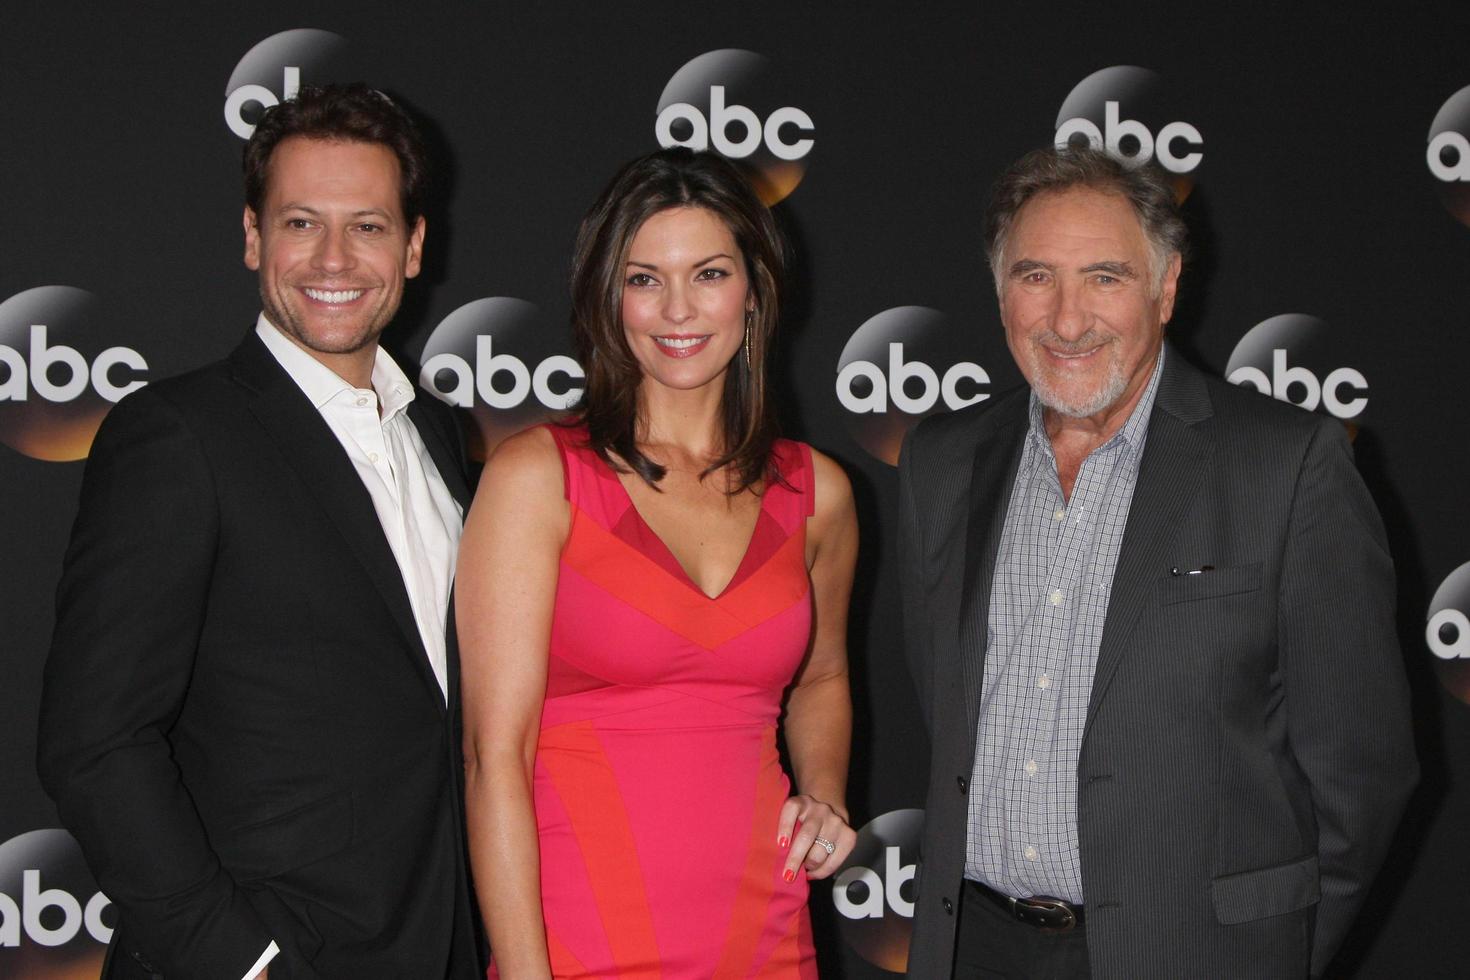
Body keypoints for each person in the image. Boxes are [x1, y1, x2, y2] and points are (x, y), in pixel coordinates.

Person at [899, 146, 1416, 978]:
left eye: (1105, 277)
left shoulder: (1284, 465)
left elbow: (1363, 771)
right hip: (976, 949)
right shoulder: (943, 461)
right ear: (1001, 291)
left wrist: (1272, 953)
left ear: (1166, 288)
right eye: (1036, 277)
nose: (1067, 320)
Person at [36, 84, 480, 979]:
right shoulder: (178, 435)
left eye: (368, 225)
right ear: (252, 236)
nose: (335, 258)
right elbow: (94, 740)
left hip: (440, 944)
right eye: (300, 222)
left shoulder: (441, 437)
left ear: (414, 244)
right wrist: (240, 961)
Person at [457, 147, 859, 978]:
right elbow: (496, 755)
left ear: (753, 288)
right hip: (577, 937)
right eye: (644, 279)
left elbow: (820, 678)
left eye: (708, 273)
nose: (677, 308)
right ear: (608, 297)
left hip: (764, 936)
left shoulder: (816, 492)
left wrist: (824, 791)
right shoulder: (538, 477)